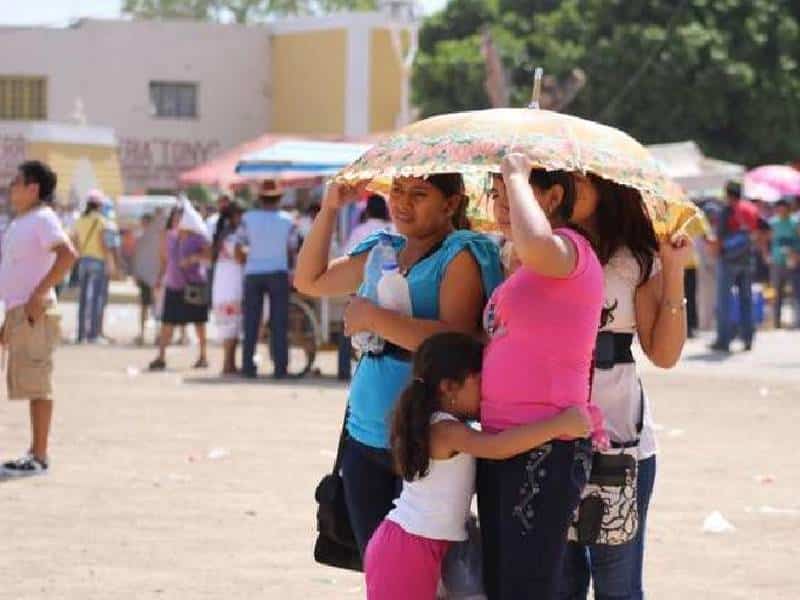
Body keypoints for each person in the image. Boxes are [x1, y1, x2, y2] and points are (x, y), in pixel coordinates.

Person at [295, 174, 503, 555]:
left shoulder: (461, 254)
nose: (403, 203)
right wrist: (328, 209)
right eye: (398, 192)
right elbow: (310, 280)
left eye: (419, 195)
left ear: (451, 203)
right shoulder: (382, 249)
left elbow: (451, 343)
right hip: (365, 430)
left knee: (423, 573)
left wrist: (374, 319)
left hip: (427, 438)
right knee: (379, 568)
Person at [365, 332, 593, 600]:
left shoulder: (452, 427)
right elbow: (498, 447)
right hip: (408, 550)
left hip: (430, 546)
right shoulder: (444, 430)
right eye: (481, 381)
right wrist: (559, 425)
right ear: (449, 387)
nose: (488, 389)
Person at [559, 174, 694, 600]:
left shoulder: (635, 258)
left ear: (607, 187)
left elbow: (664, 353)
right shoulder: (545, 250)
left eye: (579, 181)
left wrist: (671, 271)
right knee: (559, 585)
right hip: (549, 435)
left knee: (618, 587)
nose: (568, 188)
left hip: (622, 444)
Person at [477, 155, 606, 600]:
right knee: (502, 581)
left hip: (545, 444)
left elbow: (536, 245)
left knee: (526, 585)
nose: (502, 204)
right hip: (503, 439)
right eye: (497, 194)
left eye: (514, 194)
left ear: (552, 197)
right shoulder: (528, 266)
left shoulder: (570, 249)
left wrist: (516, 173)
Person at [0, 161, 78, 476]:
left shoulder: (44, 218)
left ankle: (40, 455)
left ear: (33, 188)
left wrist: (37, 295)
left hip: (35, 311)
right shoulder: (22, 221)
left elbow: (68, 255)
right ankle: (34, 451)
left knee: (38, 382)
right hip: (17, 311)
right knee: (28, 382)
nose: (11, 187)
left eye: (16, 182)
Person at [236, 181, 296, 379]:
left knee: (251, 322)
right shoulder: (288, 220)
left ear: (260, 198)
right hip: (278, 272)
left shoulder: (248, 218)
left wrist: (249, 260)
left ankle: (247, 366)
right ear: (279, 198)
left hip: (253, 272)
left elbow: (239, 246)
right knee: (279, 323)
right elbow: (292, 249)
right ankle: (280, 367)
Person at [148, 200, 211, 371]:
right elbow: (164, 260)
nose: (177, 219)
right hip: (174, 285)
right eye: (176, 216)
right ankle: (161, 356)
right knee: (167, 322)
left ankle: (203, 356)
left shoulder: (198, 237)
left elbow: (210, 255)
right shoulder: (168, 236)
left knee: (199, 323)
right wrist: (160, 278)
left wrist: (193, 259)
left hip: (194, 284)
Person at [337, 194, 394, 381]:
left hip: (360, 290)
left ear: (367, 210)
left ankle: (343, 369)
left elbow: (345, 257)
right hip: (388, 291)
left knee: (349, 329)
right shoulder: (392, 229)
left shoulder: (359, 231)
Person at [710, 180, 759, 352]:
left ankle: (724, 340)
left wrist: (716, 251)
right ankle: (748, 339)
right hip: (747, 260)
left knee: (725, 301)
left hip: (728, 261)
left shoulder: (726, 210)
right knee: (746, 300)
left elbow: (720, 236)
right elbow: (758, 232)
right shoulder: (751, 209)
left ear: (728, 194)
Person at [72, 192, 113, 343]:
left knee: (82, 299)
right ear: (99, 205)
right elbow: (104, 244)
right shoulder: (101, 221)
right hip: (98, 261)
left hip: (83, 261)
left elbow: (75, 242)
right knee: (97, 299)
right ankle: (93, 334)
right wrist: (110, 263)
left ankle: (81, 334)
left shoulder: (79, 220)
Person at [212, 201, 245, 374]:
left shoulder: (221, 236)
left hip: (222, 284)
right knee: (232, 327)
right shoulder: (233, 237)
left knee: (228, 327)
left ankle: (230, 363)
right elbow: (240, 257)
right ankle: (228, 364)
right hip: (231, 285)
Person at [131, 211, 163, 345]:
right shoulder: (140, 237)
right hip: (144, 276)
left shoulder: (158, 238)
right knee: (144, 306)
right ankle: (142, 334)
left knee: (156, 307)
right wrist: (135, 273)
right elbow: (136, 256)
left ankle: (158, 335)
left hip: (155, 275)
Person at [769, 197, 800, 328]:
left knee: (796, 293)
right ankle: (776, 322)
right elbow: (766, 239)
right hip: (776, 262)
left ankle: (797, 321)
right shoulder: (772, 223)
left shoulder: (795, 222)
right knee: (776, 293)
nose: (781, 211)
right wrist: (766, 254)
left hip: (793, 262)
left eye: (783, 208)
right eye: (779, 208)